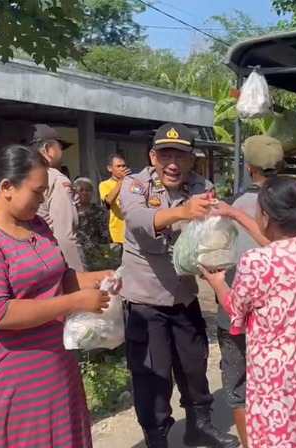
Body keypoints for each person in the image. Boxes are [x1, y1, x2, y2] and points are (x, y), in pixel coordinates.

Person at [0, 144, 115, 447]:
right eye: (38, 192)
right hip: (16, 374)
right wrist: (74, 302)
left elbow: (59, 278)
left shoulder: (37, 226)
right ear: (7, 187)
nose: (42, 201)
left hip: (57, 366)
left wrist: (96, 280)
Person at [202, 176, 296, 448]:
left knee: (282, 435)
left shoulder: (256, 263)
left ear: (266, 217)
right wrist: (235, 213)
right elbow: (277, 243)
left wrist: (217, 283)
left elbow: (236, 308)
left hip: (278, 375)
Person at [119, 123, 238, 448]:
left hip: (184, 297)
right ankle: (156, 436)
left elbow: (211, 236)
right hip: (145, 300)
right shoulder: (135, 185)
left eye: (181, 156)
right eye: (165, 155)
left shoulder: (202, 186)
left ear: (191, 159)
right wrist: (183, 212)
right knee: (152, 375)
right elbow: (138, 221)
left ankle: (199, 426)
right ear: (152, 157)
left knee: (194, 366)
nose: (173, 164)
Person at [215, 135, 281, 447]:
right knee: (276, 384)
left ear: (250, 167)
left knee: (239, 383)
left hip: (235, 308)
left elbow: (217, 253)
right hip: (279, 313)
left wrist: (215, 281)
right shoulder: (294, 206)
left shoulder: (234, 205)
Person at [30, 124, 86, 272]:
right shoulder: (56, 179)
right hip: (51, 260)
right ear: (48, 149)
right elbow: (65, 236)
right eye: (60, 147)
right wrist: (79, 275)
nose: (62, 153)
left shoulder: (22, 177)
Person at [74, 177, 112, 270]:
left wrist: (106, 254)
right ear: (75, 192)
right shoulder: (70, 211)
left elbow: (105, 235)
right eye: (81, 190)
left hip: (96, 255)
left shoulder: (100, 211)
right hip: (75, 253)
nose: (84, 193)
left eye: (88, 190)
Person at [99, 153, 131, 259]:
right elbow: (108, 201)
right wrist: (121, 181)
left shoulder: (131, 183)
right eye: (118, 166)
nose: (122, 168)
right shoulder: (105, 184)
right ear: (110, 168)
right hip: (116, 234)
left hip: (132, 234)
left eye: (124, 166)